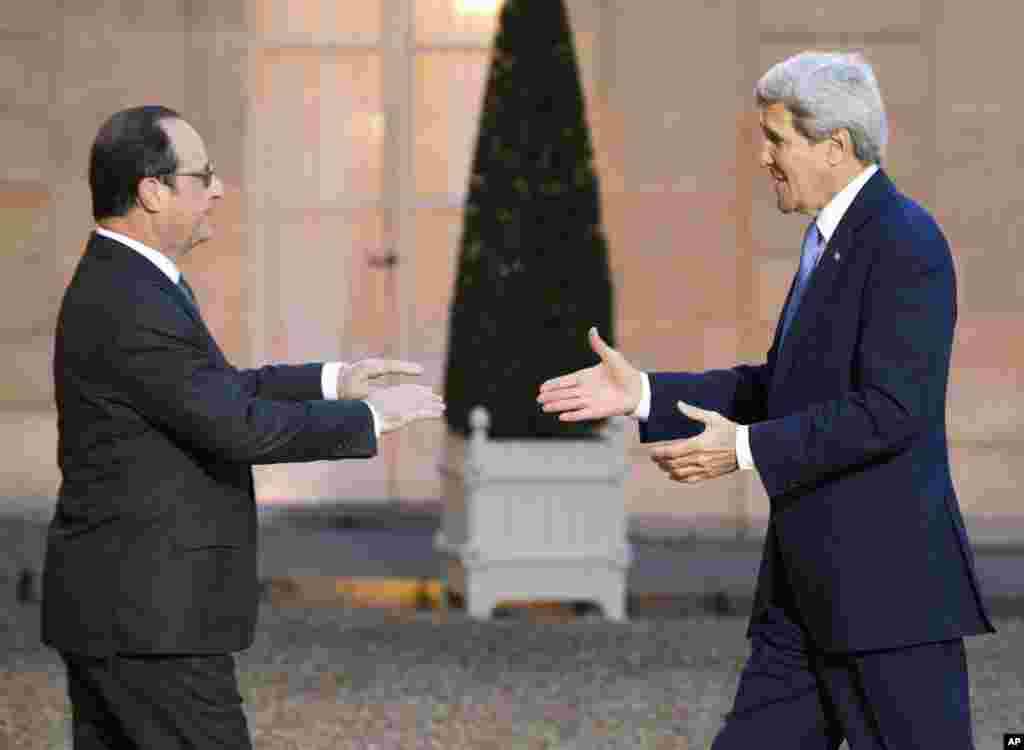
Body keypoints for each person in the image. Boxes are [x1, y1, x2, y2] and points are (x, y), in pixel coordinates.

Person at [538, 51, 994, 748]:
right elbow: (778, 386)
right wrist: (644, 393)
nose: (763, 156)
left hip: (888, 602)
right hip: (802, 598)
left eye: (776, 138)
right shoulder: (831, 240)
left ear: (834, 146)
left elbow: (893, 410)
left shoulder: (905, 242)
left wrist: (744, 449)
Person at [41, 105, 445, 749]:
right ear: (152, 192)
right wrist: (372, 418)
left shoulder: (132, 281)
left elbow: (212, 390)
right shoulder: (131, 297)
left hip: (128, 610)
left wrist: (334, 381)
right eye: (203, 176)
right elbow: (236, 425)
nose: (219, 190)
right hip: (149, 618)